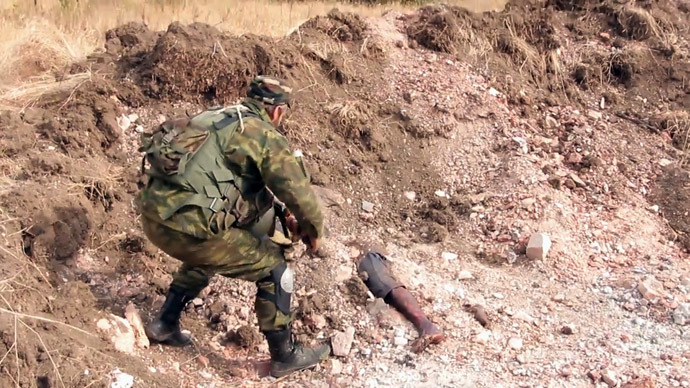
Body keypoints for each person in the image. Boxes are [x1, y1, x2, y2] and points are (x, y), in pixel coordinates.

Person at [135, 75, 330, 378]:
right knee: (275, 269)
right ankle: (285, 355)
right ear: (277, 111)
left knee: (214, 246)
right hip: (188, 232)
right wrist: (313, 233)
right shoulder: (263, 134)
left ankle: (164, 323)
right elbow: (299, 193)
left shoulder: (213, 116)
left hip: (153, 218)